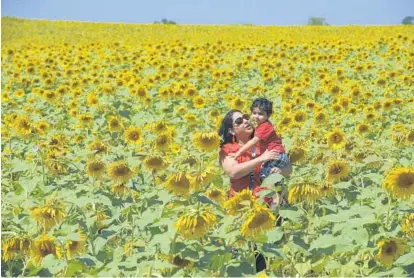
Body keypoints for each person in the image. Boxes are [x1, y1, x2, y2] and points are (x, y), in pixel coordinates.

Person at [218, 109, 292, 273]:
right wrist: (261, 158)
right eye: (239, 121)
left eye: (245, 117)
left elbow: (287, 168)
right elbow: (233, 171)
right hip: (240, 211)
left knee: (265, 260)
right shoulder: (227, 150)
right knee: (241, 260)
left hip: (266, 210)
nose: (245, 120)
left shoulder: (266, 142)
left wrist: (280, 171)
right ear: (231, 130)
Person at [232, 98, 288, 182]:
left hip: (275, 154)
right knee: (271, 178)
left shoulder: (264, 126)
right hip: (276, 154)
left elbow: (254, 141)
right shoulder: (262, 126)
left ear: (268, 115)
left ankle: (275, 192)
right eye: (254, 113)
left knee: (265, 177)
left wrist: (239, 152)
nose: (256, 116)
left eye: (260, 114)